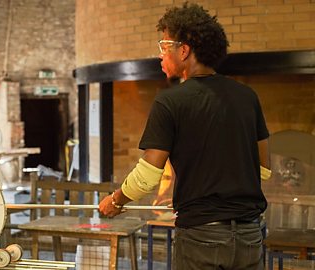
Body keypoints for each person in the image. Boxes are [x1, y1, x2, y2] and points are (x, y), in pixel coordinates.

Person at [99, 2, 271, 269]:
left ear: (184, 50)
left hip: (201, 238)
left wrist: (115, 200)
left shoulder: (170, 101)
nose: (160, 55)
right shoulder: (247, 96)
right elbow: (264, 169)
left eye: (164, 46)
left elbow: (146, 177)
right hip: (250, 237)